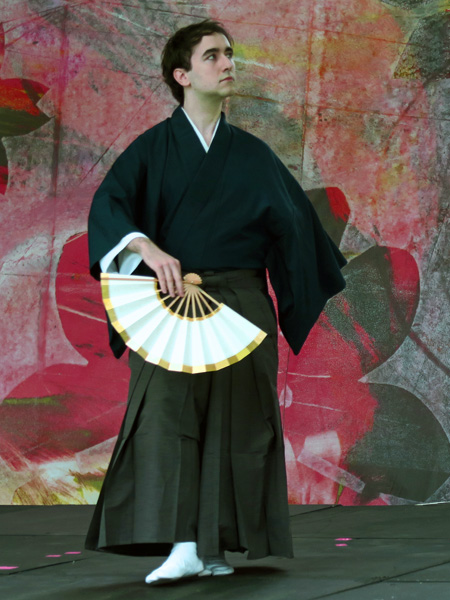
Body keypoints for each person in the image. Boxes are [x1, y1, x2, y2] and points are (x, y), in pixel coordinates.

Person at [84, 20, 346, 585]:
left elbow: (297, 227)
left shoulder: (250, 155)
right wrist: (147, 248)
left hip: (240, 303)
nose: (227, 63)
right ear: (182, 75)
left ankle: (215, 542)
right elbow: (110, 208)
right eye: (212, 56)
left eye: (229, 54)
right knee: (167, 417)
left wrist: (300, 272)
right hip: (168, 301)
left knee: (239, 422)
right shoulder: (152, 149)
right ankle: (182, 543)